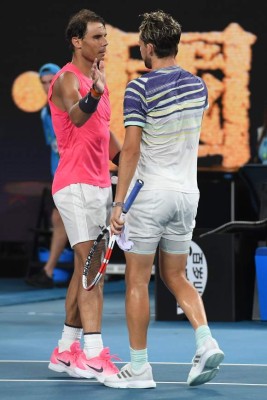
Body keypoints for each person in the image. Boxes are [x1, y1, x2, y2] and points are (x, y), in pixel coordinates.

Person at [104, 10, 224, 389]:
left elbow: (133, 151)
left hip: (151, 197)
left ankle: (139, 368)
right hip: (187, 196)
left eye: (141, 44)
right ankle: (206, 340)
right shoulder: (198, 86)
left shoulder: (139, 89)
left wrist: (119, 203)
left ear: (150, 47)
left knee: (138, 280)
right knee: (175, 275)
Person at [46, 9, 121, 381]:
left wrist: (134, 165)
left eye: (105, 36)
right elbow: (77, 117)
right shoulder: (66, 80)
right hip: (74, 184)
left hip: (98, 185)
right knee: (93, 269)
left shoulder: (98, 80)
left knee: (84, 269)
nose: (103, 43)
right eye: (96, 36)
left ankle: (64, 348)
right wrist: (94, 91)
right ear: (77, 41)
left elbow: (105, 137)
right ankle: (92, 353)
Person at [26, 63, 69, 289]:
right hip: (60, 176)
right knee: (58, 219)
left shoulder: (71, 105)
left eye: (50, 80)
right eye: (43, 82)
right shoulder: (45, 113)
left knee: (59, 219)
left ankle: (49, 270)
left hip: (79, 174)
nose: (47, 86)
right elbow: (55, 149)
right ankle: (49, 270)